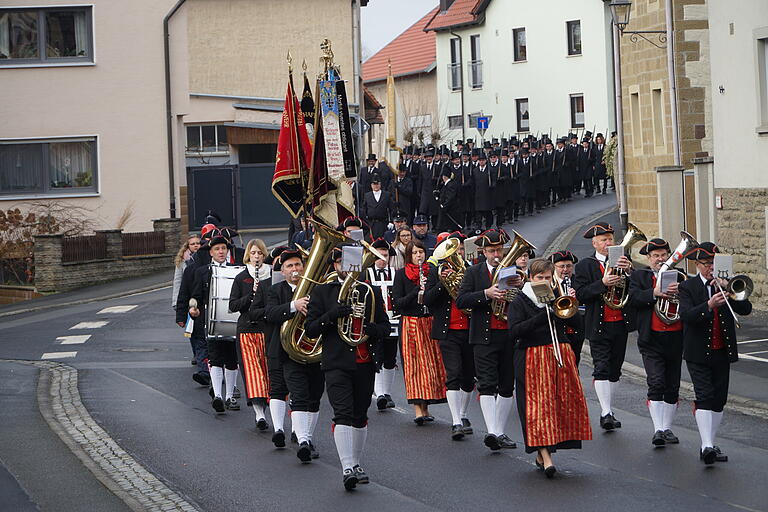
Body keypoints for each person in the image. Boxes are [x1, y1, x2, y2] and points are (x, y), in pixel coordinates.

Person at [305, 245, 389, 490]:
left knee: (360, 415)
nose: (347, 268)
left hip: (364, 361)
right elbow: (311, 329)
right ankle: (347, 467)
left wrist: (372, 329)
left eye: (351, 263)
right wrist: (332, 315)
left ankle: (356, 462)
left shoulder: (369, 291)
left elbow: (384, 327)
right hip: (336, 362)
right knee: (342, 413)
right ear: (335, 266)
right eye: (342, 263)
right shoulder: (321, 292)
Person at [508, 258, 592, 478]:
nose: (544, 282)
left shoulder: (555, 298)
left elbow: (577, 327)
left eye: (547, 278)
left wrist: (571, 310)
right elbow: (515, 331)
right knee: (538, 408)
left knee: (558, 405)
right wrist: (543, 317)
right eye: (539, 278)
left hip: (557, 355)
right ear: (531, 278)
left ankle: (542, 452)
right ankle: (547, 459)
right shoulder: (520, 300)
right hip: (531, 357)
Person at [679, 242, 752, 464]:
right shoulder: (688, 287)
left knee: (719, 400)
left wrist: (729, 290)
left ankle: (709, 443)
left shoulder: (727, 285)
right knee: (705, 396)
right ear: (697, 265)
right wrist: (708, 305)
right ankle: (707, 445)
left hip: (722, 350)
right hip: (698, 352)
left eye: (714, 263)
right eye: (706, 264)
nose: (710, 267)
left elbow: (745, 310)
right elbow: (686, 316)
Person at [455, 229, 519, 451]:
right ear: (483, 251)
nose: (496, 255)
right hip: (483, 336)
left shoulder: (513, 271)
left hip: (508, 334)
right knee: (487, 383)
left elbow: (522, 302)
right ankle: (492, 431)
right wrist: (486, 294)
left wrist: (519, 290)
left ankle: (499, 431)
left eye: (499, 250)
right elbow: (461, 300)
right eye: (491, 251)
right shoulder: (474, 272)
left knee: (507, 384)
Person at [573, 222, 636, 431]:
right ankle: (605, 412)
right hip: (597, 323)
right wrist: (603, 283)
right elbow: (581, 294)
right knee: (601, 366)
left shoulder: (622, 261)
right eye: (603, 240)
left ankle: (609, 408)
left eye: (610, 239)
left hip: (619, 321)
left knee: (615, 370)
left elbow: (634, 290)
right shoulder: (585, 265)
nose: (608, 243)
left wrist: (630, 272)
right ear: (595, 243)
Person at [266, 249, 324, 460]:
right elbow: (269, 314)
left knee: (315, 396)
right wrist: (294, 305)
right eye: (289, 266)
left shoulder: (315, 289)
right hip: (289, 352)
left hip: (314, 351)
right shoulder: (275, 290)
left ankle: (307, 436)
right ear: (282, 271)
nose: (295, 269)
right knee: (298, 396)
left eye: (298, 264)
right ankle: (304, 441)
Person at [628, 238, 686, 447]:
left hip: (675, 336)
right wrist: (654, 293)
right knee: (656, 382)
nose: (660, 259)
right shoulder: (640, 276)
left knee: (672, 386)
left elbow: (689, 301)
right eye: (655, 256)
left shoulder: (679, 276)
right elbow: (633, 298)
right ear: (648, 258)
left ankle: (667, 428)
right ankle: (657, 429)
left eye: (663, 255)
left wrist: (681, 292)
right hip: (651, 337)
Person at [424, 232, 475, 440]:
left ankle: (463, 415)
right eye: (456, 250)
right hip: (448, 331)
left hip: (471, 330)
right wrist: (442, 284)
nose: (459, 253)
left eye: (461, 249)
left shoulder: (472, 271)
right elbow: (428, 300)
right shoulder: (436, 271)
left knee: (469, 376)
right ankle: (455, 421)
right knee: (453, 374)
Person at [392, 240, 446, 424]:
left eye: (421, 252)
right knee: (414, 366)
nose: (418, 256)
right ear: (409, 256)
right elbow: (398, 303)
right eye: (414, 253)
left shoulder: (432, 273)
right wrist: (417, 290)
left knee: (429, 366)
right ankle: (417, 409)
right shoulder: (401, 275)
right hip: (410, 323)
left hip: (428, 322)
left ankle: (426, 407)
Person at [189, 235, 241, 413]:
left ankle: (230, 396)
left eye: (223, 249)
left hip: (233, 321)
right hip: (211, 323)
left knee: (232, 360)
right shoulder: (203, 271)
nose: (221, 252)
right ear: (211, 252)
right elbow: (195, 296)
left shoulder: (237, 271)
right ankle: (218, 395)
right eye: (217, 249)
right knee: (215, 358)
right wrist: (193, 308)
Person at [229, 238, 271, 430]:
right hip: (246, 329)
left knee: (268, 370)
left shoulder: (271, 275)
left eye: (259, 253)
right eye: (253, 253)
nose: (256, 257)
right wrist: (250, 295)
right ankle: (259, 414)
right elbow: (233, 305)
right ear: (248, 255)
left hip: (267, 329)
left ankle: (271, 408)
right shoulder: (241, 278)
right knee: (252, 372)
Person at [367, 239, 399, 410]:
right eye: (379, 256)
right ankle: (379, 393)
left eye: (385, 255)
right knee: (377, 355)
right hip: (375, 321)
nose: (383, 259)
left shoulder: (396, 273)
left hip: (393, 319)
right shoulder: (366, 273)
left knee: (390, 356)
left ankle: (386, 393)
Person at [550, 250, 585, 366]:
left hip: (575, 331)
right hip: (557, 331)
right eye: (561, 266)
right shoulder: (550, 283)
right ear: (554, 267)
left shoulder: (579, 281)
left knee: (574, 364)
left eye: (569, 266)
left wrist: (577, 297)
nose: (565, 269)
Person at [173, 234, 201, 363]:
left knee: (200, 329)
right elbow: (178, 281)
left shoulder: (204, 258)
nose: (196, 245)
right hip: (188, 300)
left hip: (200, 298)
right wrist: (176, 302)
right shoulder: (182, 261)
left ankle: (201, 353)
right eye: (193, 244)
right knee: (190, 328)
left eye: (198, 243)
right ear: (188, 246)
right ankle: (196, 353)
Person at [471, 153, 495, 231]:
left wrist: (492, 185)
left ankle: (488, 225)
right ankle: (478, 225)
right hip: (478, 194)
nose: (481, 162)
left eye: (483, 160)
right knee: (478, 211)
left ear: (486, 161)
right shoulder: (475, 171)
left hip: (487, 194)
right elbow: (473, 182)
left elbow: (494, 181)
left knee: (488, 211)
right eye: (480, 160)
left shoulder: (490, 170)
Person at [437, 166, 460, 232]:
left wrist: (444, 206)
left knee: (450, 227)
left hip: (450, 210)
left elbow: (450, 197)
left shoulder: (451, 185)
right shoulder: (447, 184)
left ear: (444, 176)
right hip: (447, 209)